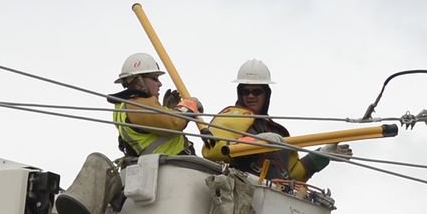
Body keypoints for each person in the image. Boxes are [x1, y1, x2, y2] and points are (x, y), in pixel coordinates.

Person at [203, 59, 343, 181]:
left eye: (257, 91)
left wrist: (321, 156)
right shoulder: (230, 118)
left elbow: (292, 174)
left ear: (266, 95)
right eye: (246, 91)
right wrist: (256, 141)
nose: (250, 96)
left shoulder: (277, 132)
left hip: (272, 199)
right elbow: (213, 151)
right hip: (241, 191)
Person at [107, 52, 200, 158]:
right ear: (138, 82)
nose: (160, 84)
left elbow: (151, 132)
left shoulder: (123, 106)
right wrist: (188, 106)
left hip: (161, 166)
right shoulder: (136, 104)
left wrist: (168, 110)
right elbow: (174, 123)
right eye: (155, 78)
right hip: (173, 167)